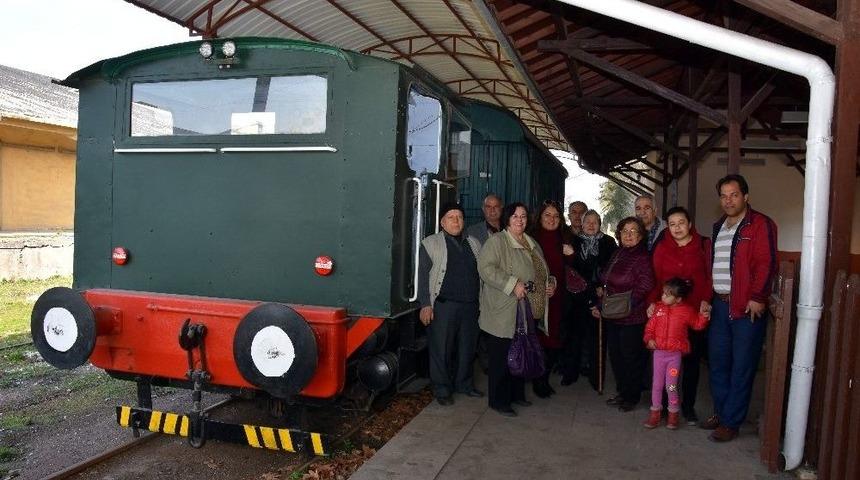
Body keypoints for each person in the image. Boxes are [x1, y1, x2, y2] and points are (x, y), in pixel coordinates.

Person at [702, 174, 777, 442]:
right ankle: (722, 413)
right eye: (723, 195)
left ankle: (731, 421)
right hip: (720, 305)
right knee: (718, 363)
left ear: (745, 196)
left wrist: (758, 296)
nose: (728, 200)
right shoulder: (718, 226)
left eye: (734, 194)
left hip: (746, 307)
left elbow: (766, 263)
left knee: (742, 366)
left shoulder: (759, 224)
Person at [478, 203, 549, 417]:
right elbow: (485, 268)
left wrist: (549, 282)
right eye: (515, 216)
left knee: (522, 350)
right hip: (503, 310)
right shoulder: (497, 242)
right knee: (502, 356)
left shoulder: (531, 242)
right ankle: (499, 401)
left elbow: (541, 270)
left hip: (526, 309)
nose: (520, 220)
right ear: (507, 219)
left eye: (524, 216)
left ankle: (517, 394)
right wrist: (512, 284)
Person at [648, 206, 712, 425]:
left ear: (690, 224)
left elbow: (710, 277)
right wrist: (651, 304)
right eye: (672, 224)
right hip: (667, 316)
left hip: (692, 313)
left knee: (692, 362)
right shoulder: (662, 247)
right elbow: (656, 280)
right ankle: (664, 407)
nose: (677, 228)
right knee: (664, 364)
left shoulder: (704, 245)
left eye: (681, 222)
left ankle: (687, 407)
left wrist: (706, 299)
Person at [417, 203, 483, 406]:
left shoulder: (474, 243)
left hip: (470, 305)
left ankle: (464, 384)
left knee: (467, 348)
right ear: (442, 222)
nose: (456, 221)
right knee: (441, 349)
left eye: (459, 217)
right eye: (451, 217)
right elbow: (421, 277)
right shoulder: (430, 243)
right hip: (444, 306)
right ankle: (442, 389)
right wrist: (425, 304)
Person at [592, 217, 654, 412]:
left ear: (641, 235)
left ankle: (631, 396)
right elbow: (606, 280)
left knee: (631, 358)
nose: (628, 234)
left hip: (631, 317)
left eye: (633, 231)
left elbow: (646, 284)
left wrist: (626, 303)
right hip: (613, 314)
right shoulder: (618, 253)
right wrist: (602, 301)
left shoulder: (642, 257)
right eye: (624, 230)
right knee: (616, 356)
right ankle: (622, 392)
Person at [643, 278, 710, 430]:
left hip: (674, 356)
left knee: (671, 386)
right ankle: (655, 414)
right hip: (659, 354)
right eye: (663, 293)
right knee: (657, 385)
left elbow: (697, 324)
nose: (663, 297)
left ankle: (673, 414)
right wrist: (649, 339)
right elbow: (649, 329)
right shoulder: (658, 309)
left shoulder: (686, 311)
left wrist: (704, 315)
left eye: (668, 295)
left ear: (679, 299)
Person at [566, 210, 617, 389]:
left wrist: (602, 287)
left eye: (595, 221)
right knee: (574, 337)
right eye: (587, 221)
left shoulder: (609, 242)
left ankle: (597, 377)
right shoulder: (574, 241)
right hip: (577, 296)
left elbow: (611, 268)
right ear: (582, 223)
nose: (591, 225)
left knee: (597, 338)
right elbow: (570, 268)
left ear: (600, 223)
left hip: (598, 295)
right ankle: (570, 373)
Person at [529, 200, 572, 398]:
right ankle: (537, 380)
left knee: (554, 339)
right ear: (540, 217)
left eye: (556, 216)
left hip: (558, 298)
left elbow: (573, 268)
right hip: (536, 297)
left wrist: (571, 255)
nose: (552, 219)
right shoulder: (531, 238)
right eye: (548, 215)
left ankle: (543, 377)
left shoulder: (565, 237)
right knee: (536, 339)